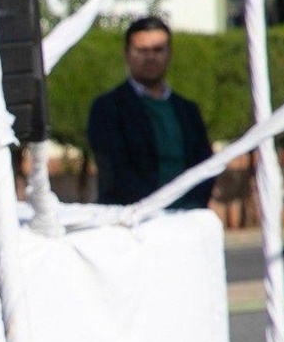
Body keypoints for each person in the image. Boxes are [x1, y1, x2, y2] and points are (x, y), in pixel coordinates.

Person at [87, 16, 214, 208]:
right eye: (142, 50)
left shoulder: (187, 111)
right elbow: (115, 170)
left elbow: (204, 165)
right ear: (127, 54)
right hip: (134, 220)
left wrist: (191, 206)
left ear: (169, 53)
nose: (150, 57)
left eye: (158, 50)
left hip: (186, 218)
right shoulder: (108, 108)